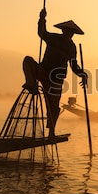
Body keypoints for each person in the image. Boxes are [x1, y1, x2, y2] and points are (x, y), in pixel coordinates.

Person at [22, 8, 88, 137]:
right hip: (43, 71)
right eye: (68, 31)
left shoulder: (71, 47)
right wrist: (42, 19)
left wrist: (83, 74)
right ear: (63, 30)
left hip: (56, 80)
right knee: (27, 61)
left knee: (54, 107)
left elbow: (74, 66)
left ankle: (51, 132)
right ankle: (31, 84)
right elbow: (42, 33)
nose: (69, 34)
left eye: (71, 32)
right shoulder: (53, 38)